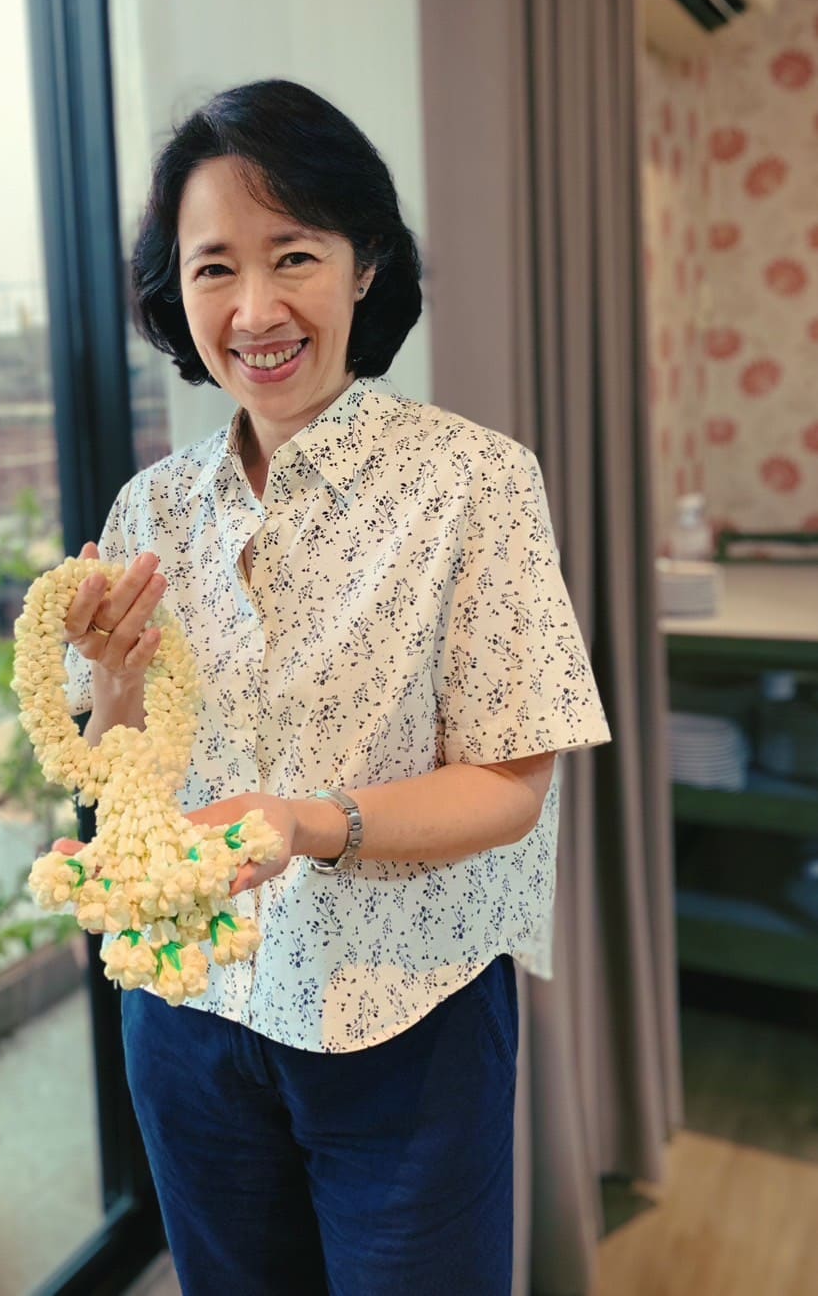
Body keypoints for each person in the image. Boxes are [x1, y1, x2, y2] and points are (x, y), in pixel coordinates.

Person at [56, 79, 611, 1296]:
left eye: (292, 255)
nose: (254, 309)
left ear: (364, 267)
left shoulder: (472, 482)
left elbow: (510, 784)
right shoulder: (151, 508)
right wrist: (112, 678)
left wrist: (305, 824)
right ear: (175, 291)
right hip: (187, 1006)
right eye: (213, 268)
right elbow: (119, 769)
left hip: (401, 1017)